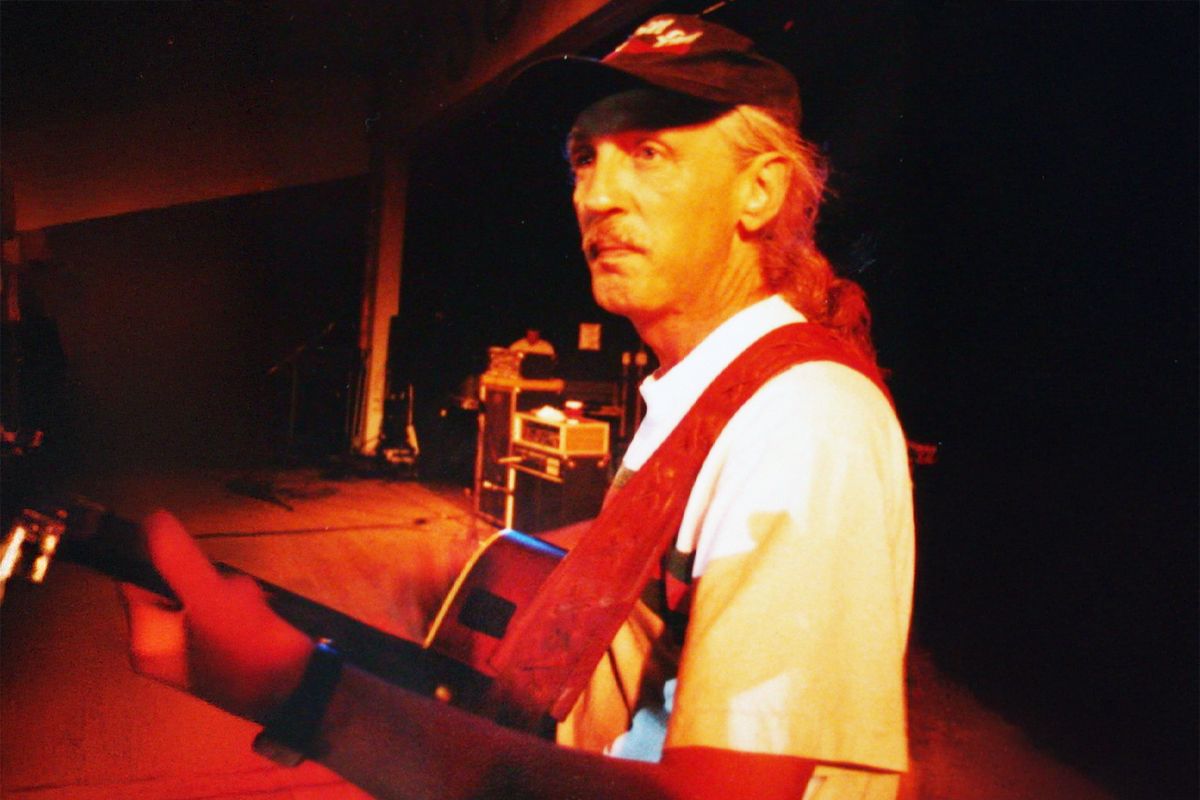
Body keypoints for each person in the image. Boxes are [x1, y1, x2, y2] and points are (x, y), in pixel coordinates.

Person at [121, 14, 914, 800]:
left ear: (760, 190)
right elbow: (670, 563)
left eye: (649, 152)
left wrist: (307, 699)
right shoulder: (709, 389)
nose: (597, 195)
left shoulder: (804, 422)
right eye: (584, 158)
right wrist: (492, 568)